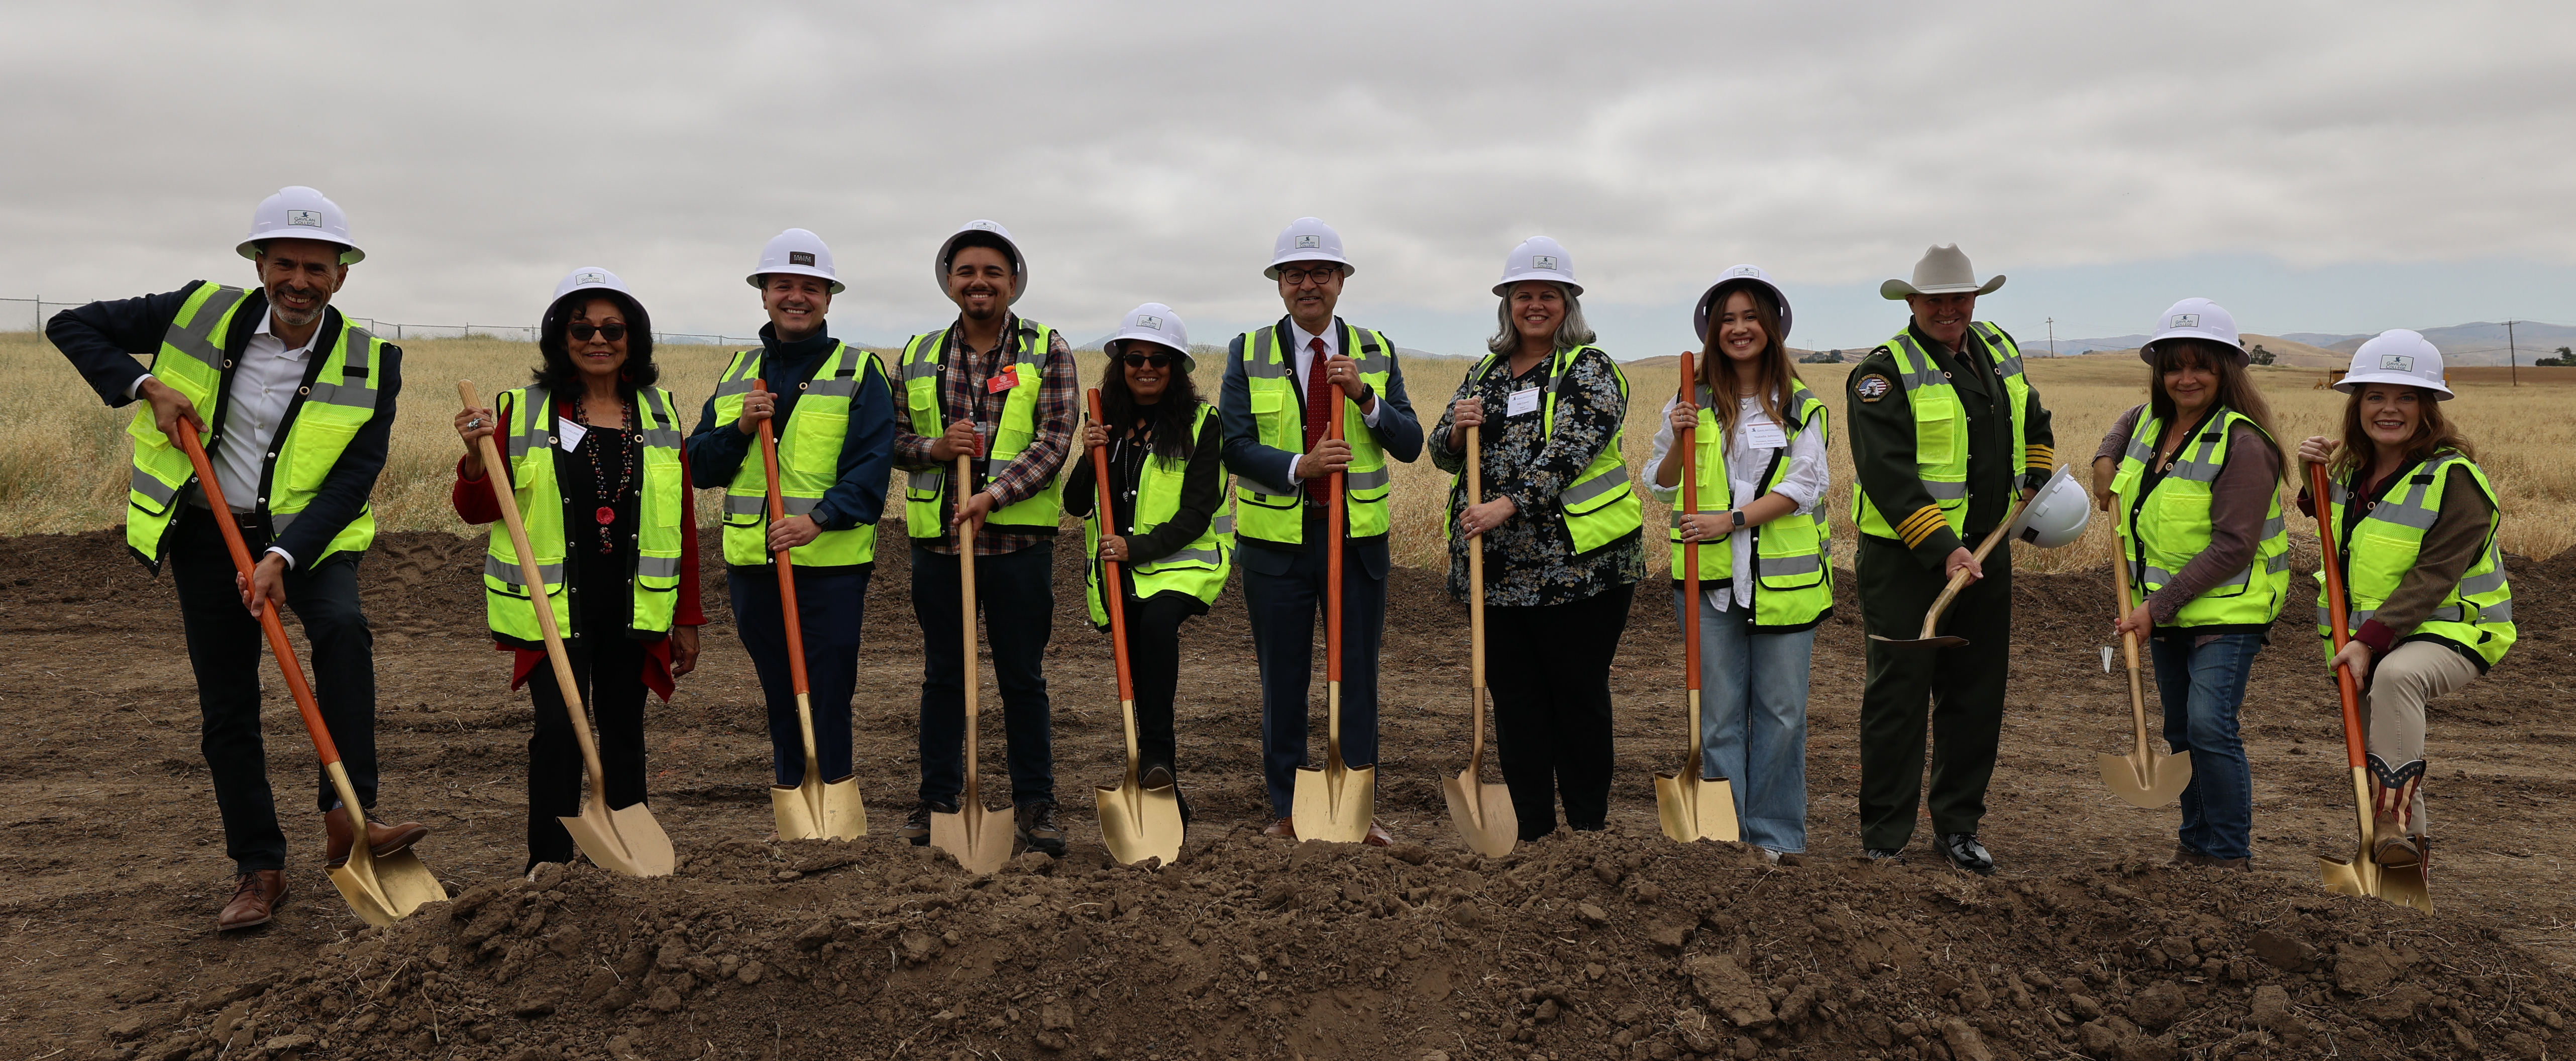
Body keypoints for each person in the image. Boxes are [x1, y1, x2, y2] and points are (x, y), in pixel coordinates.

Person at [46, 186, 421, 930]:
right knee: (228, 702)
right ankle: (259, 868)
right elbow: (71, 324)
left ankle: (348, 815)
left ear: (341, 275)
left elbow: (353, 478)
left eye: (317, 268)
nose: (299, 281)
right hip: (207, 534)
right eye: (284, 263)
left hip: (308, 540)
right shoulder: (196, 312)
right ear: (258, 264)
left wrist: (283, 553)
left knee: (344, 634)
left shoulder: (373, 362)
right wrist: (145, 383)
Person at [453, 268, 707, 874]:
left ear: (633, 338)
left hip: (634, 604)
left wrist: (688, 616)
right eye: (583, 327)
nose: (599, 338)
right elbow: (478, 511)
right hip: (553, 605)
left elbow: (685, 520)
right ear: (559, 337)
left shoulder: (660, 412)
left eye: (613, 328)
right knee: (559, 733)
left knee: (624, 730)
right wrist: (474, 457)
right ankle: (549, 860)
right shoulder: (523, 409)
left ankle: (622, 858)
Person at [1847, 244, 2055, 875]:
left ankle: (1958, 827)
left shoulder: (1998, 347)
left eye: (1959, 298)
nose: (1948, 309)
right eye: (1935, 300)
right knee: (1899, 698)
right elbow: (1886, 474)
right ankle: (1884, 834)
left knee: (1975, 697)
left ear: (1974, 301)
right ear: (1912, 303)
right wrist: (1942, 549)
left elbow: (2034, 421)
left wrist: (2034, 484)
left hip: (1987, 556)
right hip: (1906, 563)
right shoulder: (1880, 374)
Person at [1220, 217, 1426, 844]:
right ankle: (1288, 809)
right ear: (1279, 284)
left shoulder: (1376, 349)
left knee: (1355, 676)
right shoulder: (1247, 350)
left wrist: (1366, 399)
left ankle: (1356, 805)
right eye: (1294, 274)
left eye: (1320, 273)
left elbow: (1411, 442)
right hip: (1276, 548)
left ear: (1340, 281)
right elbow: (1233, 445)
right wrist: (1297, 467)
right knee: (1282, 681)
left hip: (1355, 543)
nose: (1307, 284)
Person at [1430, 238, 1644, 842]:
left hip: (1581, 571)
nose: (1534, 305)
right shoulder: (1486, 372)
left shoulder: (1589, 369)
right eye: (1523, 295)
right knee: (1517, 702)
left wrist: (1507, 504)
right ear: (1507, 303)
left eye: (1548, 295)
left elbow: (1572, 450)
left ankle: (1586, 828)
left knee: (1575, 695)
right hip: (1495, 573)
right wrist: (1454, 435)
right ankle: (1531, 830)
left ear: (1568, 303)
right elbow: (1440, 444)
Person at [684, 230, 896, 823]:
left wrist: (817, 521)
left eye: (810, 287)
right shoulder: (739, 372)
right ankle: (794, 792)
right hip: (753, 562)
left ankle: (832, 792)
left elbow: (871, 472)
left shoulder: (860, 372)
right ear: (764, 295)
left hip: (829, 566)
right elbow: (699, 466)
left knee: (827, 690)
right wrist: (741, 431)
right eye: (784, 286)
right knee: (780, 689)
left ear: (829, 298)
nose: (796, 297)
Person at [2296, 330, 2515, 873]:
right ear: (2357, 405)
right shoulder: (2351, 469)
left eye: (2405, 397)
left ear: (2428, 408)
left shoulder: (2455, 478)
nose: (2388, 409)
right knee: (2385, 747)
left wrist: (2369, 643)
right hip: (2369, 638)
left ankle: (2389, 828)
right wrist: (2312, 475)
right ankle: (2399, 878)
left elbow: (2435, 574)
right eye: (2375, 396)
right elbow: (2325, 519)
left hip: (2455, 630)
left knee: (2398, 680)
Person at [893, 221, 1078, 857]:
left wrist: (992, 495)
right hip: (940, 548)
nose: (979, 282)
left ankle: (1036, 803)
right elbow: (893, 441)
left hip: (1017, 547)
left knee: (1022, 678)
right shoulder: (918, 354)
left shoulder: (1046, 349)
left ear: (1013, 283)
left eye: (993, 273)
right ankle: (939, 800)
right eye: (967, 271)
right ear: (950, 282)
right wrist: (936, 448)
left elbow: (1055, 440)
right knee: (944, 675)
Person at [2089, 298, 2287, 872]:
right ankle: (2194, 844)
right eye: (2173, 366)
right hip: (2167, 610)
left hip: (2228, 611)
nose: (2186, 377)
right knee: (2179, 730)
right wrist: (2107, 455)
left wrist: (2156, 607)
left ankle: (2227, 853)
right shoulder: (2152, 425)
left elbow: (2233, 546)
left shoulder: (2243, 443)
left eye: (2201, 365)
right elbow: (2127, 418)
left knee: (2208, 724)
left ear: (2228, 369)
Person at [1643, 265, 1832, 860]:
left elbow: (1807, 485)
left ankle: (1776, 840)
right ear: (1711, 331)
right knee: (1718, 718)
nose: (1739, 328)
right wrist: (1678, 435)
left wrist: (1732, 521)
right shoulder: (1689, 400)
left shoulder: (1800, 405)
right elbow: (1661, 486)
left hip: (1782, 588)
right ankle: (1726, 840)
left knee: (1780, 717)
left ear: (1772, 326)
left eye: (1751, 317)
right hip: (1708, 587)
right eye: (1727, 319)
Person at [1061, 303, 1232, 825]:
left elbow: (1198, 511)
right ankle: (1159, 783)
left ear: (1177, 368)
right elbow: (1073, 503)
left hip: (1182, 566)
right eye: (1135, 357)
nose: (1147, 367)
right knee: (1136, 665)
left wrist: (1135, 549)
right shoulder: (1105, 425)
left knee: (1158, 625)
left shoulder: (1201, 423)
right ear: (1121, 364)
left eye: (1161, 359)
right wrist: (1088, 453)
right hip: (1121, 573)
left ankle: (1157, 758)